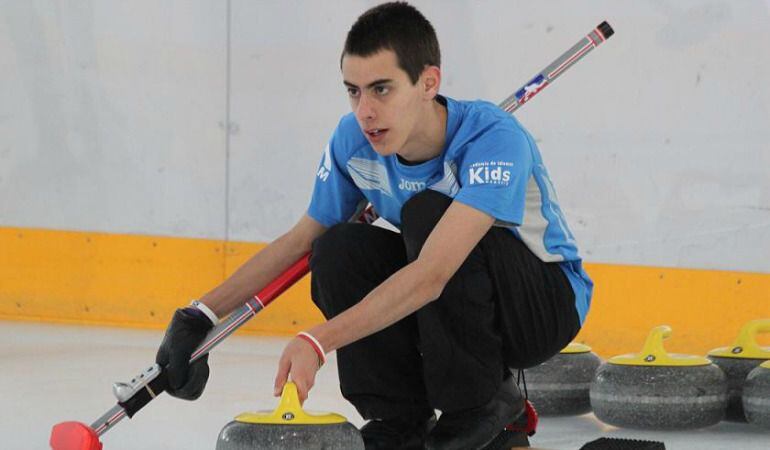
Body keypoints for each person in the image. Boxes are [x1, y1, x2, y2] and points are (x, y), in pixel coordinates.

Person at [154, 2, 593, 449]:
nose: (365, 111)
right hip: (452, 297)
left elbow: (433, 274)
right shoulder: (353, 142)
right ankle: (399, 416)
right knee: (337, 249)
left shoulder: (492, 139)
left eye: (381, 89)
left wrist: (317, 340)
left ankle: (480, 404)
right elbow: (301, 239)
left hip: (542, 305)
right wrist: (199, 315)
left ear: (428, 83)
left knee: (428, 213)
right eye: (353, 91)